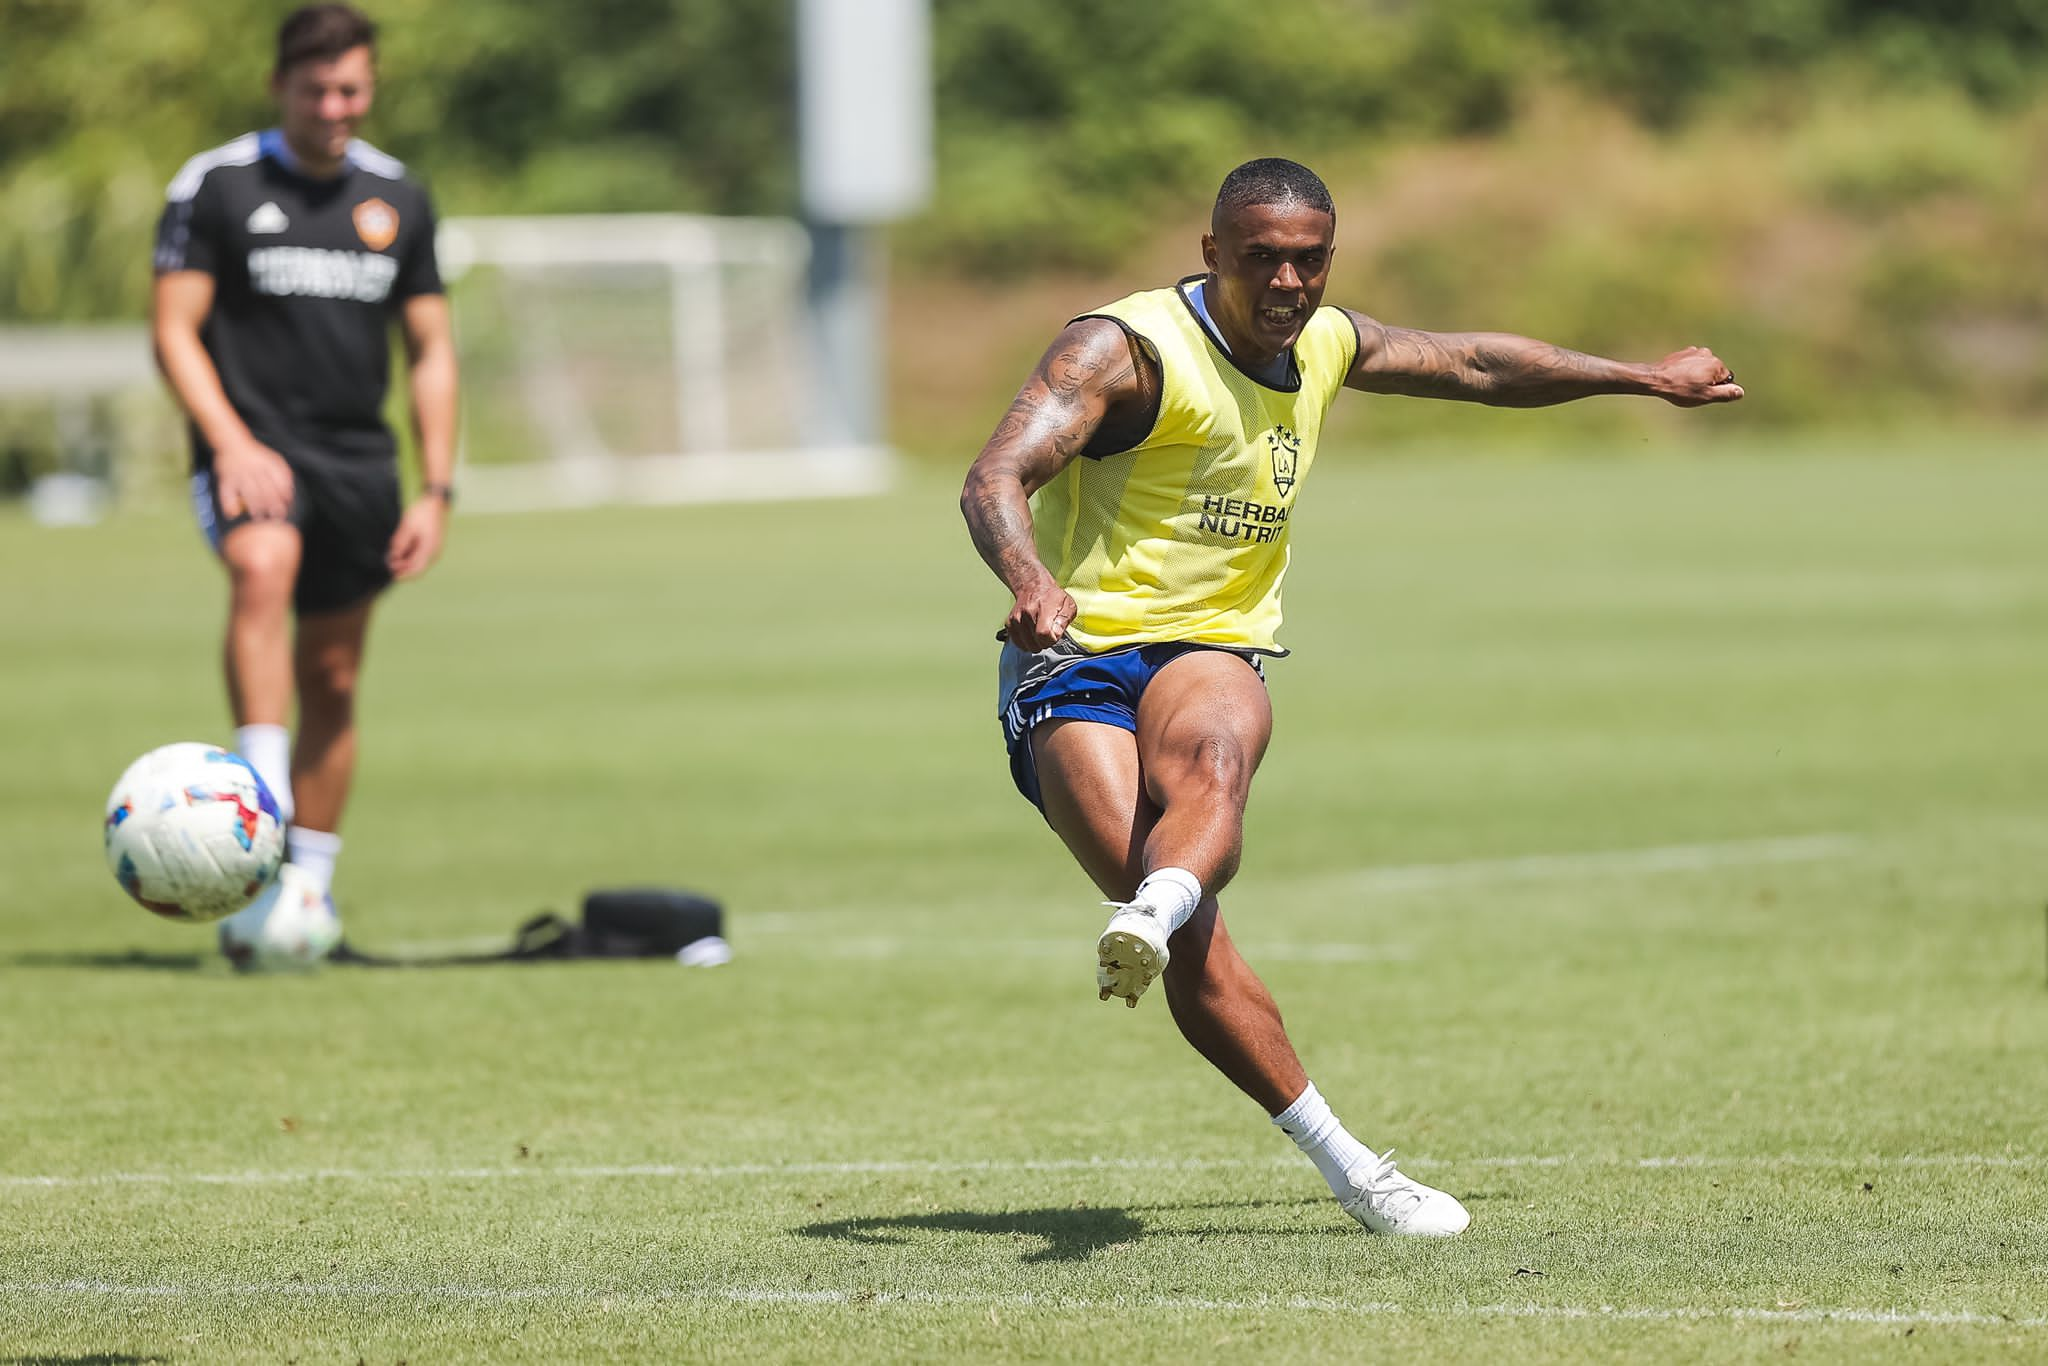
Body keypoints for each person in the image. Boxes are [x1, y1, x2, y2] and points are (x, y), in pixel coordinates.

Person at [960, 157, 1742, 1235]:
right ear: (1209, 254)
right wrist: (1030, 580)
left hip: (1208, 645)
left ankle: (1171, 927)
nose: (1287, 281)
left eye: (1308, 258)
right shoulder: (1124, 348)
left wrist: (1645, 378)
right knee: (1195, 942)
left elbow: (1471, 362)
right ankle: (1323, 1127)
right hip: (1075, 650)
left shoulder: (1321, 342)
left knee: (1214, 767)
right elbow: (994, 474)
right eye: (1261, 259)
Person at [150, 3, 457, 965]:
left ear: (371, 89)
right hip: (255, 449)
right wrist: (231, 443)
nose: (335, 106)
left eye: (351, 89)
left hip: (362, 463)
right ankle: (260, 818)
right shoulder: (219, 185)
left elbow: (433, 350)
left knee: (333, 674)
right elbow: (173, 330)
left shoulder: (398, 197)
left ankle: (302, 900)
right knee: (263, 565)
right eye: (317, 89)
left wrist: (437, 489)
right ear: (281, 85)